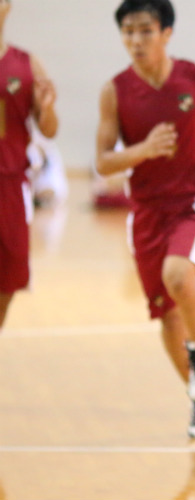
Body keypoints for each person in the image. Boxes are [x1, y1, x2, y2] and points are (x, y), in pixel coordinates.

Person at [95, 0, 195, 439]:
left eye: (145, 30)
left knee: (178, 277)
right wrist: (142, 150)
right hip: (145, 211)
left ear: (166, 32)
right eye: (128, 32)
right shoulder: (115, 90)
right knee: (166, 317)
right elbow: (104, 162)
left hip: (193, 201)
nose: (136, 40)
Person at [0, 0, 58, 332]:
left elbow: (49, 129)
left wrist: (46, 108)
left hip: (10, 184)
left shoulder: (26, 64)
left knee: (9, 279)